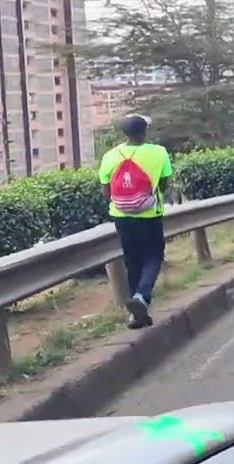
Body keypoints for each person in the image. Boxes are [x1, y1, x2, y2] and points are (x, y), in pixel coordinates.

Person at [99, 114, 174, 329]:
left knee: (132, 261)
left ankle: (137, 316)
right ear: (144, 131)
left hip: (121, 215)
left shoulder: (110, 156)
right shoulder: (158, 153)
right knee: (154, 256)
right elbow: (163, 185)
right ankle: (141, 296)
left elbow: (106, 190)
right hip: (150, 214)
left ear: (124, 133)